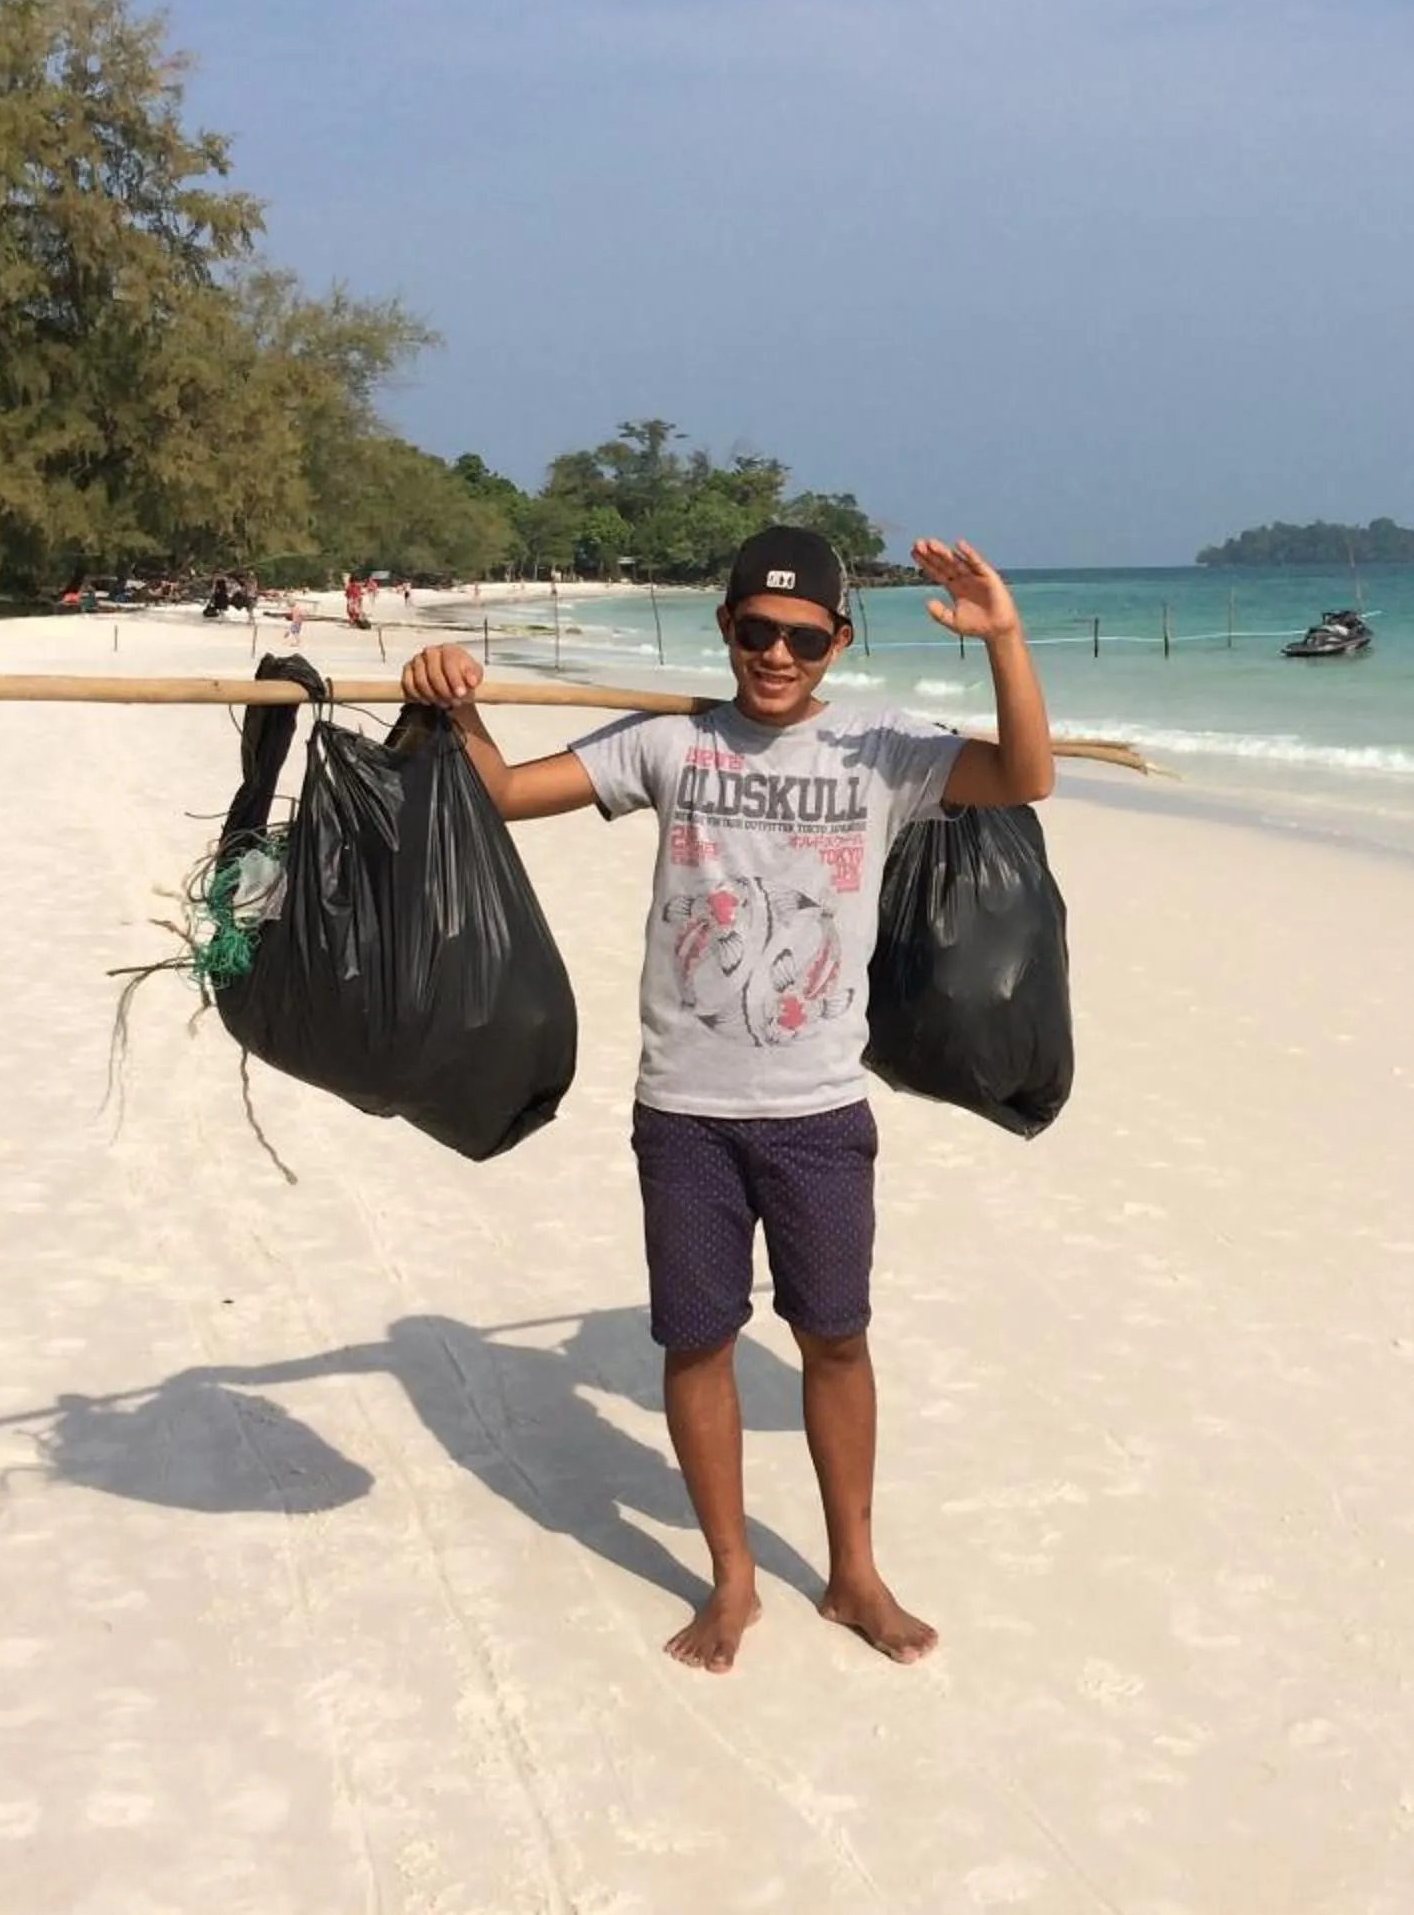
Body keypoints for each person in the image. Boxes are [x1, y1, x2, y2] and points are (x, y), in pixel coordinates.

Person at [400, 528, 1054, 1674]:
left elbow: (1024, 776)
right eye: (757, 630)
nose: (777, 654)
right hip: (686, 1110)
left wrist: (1004, 640)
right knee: (697, 1342)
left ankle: (853, 1573)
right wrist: (456, 700)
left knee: (835, 1339)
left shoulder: (884, 754)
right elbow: (500, 794)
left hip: (817, 1112)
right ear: (726, 629)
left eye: (803, 638)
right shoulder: (668, 745)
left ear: (838, 643)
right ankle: (733, 1578)